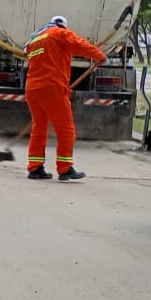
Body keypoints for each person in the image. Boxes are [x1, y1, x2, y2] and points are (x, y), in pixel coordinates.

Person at [24, 15, 106, 181]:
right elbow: (80, 44)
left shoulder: (37, 38)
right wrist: (99, 56)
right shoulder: (60, 33)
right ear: (63, 26)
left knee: (39, 128)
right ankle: (65, 168)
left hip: (32, 89)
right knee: (66, 130)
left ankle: (35, 168)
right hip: (52, 87)